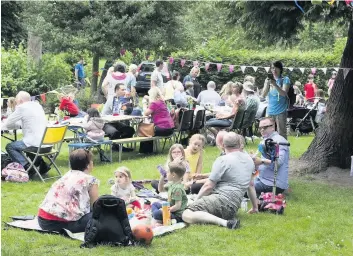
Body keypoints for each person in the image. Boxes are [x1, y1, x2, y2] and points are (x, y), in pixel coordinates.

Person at [182, 132, 255, 229]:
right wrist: (255, 207)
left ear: (223, 145)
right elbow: (251, 185)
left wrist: (196, 200)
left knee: (186, 213)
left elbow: (209, 186)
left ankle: (226, 223)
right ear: (239, 143)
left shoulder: (223, 160)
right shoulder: (249, 160)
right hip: (234, 206)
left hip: (222, 201)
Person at [38, 149, 99, 233]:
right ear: (88, 165)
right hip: (64, 223)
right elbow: (96, 206)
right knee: (101, 217)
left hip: (43, 221)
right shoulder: (91, 180)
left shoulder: (67, 175)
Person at [5, 91, 50, 175]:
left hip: (35, 145)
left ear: (21, 101)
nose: (16, 103)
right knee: (27, 144)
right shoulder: (38, 106)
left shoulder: (22, 107)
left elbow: (8, 124)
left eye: (16, 101)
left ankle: (27, 167)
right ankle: (42, 165)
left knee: (10, 146)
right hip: (47, 144)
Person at [251, 117, 289, 197]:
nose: (262, 130)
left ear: (273, 127)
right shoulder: (265, 140)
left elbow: (278, 163)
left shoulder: (279, 142)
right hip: (262, 179)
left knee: (242, 187)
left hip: (272, 184)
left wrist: (261, 161)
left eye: (265, 127)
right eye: (260, 128)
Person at [140, 87, 175, 153]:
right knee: (149, 130)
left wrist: (144, 104)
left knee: (145, 131)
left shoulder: (154, 103)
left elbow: (146, 113)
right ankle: (147, 150)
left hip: (163, 128)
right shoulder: (162, 102)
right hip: (170, 128)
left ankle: (145, 151)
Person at [261, 60, 291, 139]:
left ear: (280, 69)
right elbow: (263, 95)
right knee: (268, 132)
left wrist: (275, 85)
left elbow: (284, 93)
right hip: (270, 110)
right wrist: (267, 84)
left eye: (276, 68)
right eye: (272, 68)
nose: (274, 70)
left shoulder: (285, 79)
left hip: (281, 111)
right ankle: (269, 149)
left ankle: (283, 150)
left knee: (281, 133)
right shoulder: (267, 80)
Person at [101, 83, 135, 149]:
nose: (124, 91)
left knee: (130, 130)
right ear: (116, 90)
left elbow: (127, 110)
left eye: (125, 89)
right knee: (115, 132)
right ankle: (116, 147)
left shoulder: (123, 99)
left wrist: (128, 100)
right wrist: (124, 101)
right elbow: (116, 111)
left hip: (115, 122)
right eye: (122, 90)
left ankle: (118, 145)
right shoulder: (112, 99)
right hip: (106, 122)